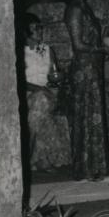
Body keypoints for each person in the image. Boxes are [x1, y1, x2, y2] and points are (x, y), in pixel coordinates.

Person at [65, 0, 109, 181]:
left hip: (93, 69)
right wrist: (103, 49)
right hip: (83, 71)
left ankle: (94, 166)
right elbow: (78, 44)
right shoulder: (74, 9)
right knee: (85, 116)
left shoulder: (85, 7)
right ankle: (84, 168)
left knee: (94, 115)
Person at [21, 13, 72, 172]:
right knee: (40, 104)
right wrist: (40, 89)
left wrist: (56, 82)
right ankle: (39, 159)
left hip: (48, 94)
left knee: (41, 103)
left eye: (40, 28)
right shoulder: (18, 52)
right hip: (26, 95)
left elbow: (53, 75)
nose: (39, 31)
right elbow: (17, 81)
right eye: (35, 28)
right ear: (25, 31)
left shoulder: (47, 50)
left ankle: (31, 158)